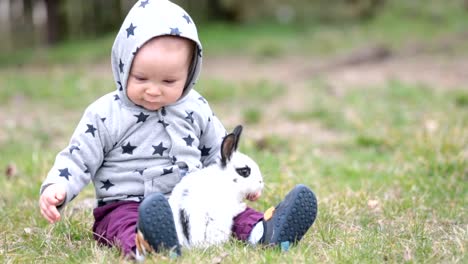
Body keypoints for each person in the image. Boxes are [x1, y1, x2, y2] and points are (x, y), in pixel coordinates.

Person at [38, 0, 317, 260]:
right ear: (123, 65)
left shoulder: (195, 108)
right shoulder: (105, 114)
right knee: (122, 224)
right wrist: (57, 187)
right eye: (141, 78)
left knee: (229, 213)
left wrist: (239, 184)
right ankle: (150, 243)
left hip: (193, 200)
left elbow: (219, 154)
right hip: (126, 204)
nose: (153, 90)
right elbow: (77, 158)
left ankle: (265, 231)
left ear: (189, 75)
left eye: (169, 81)